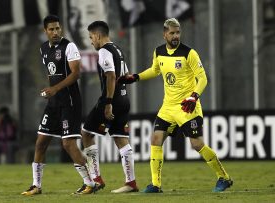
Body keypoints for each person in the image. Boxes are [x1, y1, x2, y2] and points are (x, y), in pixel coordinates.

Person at [118, 18, 233, 193]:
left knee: (196, 144)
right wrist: (136, 77)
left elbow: (202, 78)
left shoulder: (189, 53)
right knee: (156, 139)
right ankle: (155, 185)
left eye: (178, 32)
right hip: (168, 107)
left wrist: (194, 97)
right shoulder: (159, 52)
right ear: (164, 34)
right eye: (172, 33)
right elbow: (155, 70)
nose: (175, 36)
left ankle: (224, 177)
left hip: (187, 106)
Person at [21, 15, 96, 196]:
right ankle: (36, 185)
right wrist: (49, 91)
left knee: (68, 144)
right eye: (51, 29)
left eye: (57, 28)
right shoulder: (43, 49)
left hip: (69, 102)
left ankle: (90, 183)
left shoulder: (69, 46)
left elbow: (76, 73)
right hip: (53, 103)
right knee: (40, 143)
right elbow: (51, 74)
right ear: (45, 31)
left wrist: (54, 88)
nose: (55, 32)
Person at [81, 21, 139, 193]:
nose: (91, 41)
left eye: (91, 37)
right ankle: (131, 183)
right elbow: (126, 75)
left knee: (86, 134)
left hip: (110, 101)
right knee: (121, 139)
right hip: (124, 99)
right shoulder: (118, 50)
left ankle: (96, 179)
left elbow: (111, 76)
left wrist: (107, 104)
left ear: (98, 36)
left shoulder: (104, 51)